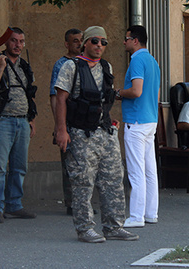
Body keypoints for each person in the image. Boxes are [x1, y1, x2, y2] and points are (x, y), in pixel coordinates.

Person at [54, 26, 138, 243]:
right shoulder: (70, 66)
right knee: (82, 181)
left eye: (103, 42)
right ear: (85, 43)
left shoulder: (106, 66)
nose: (99, 45)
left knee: (113, 179)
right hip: (81, 133)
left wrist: (109, 119)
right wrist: (61, 130)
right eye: (94, 41)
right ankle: (85, 229)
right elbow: (61, 99)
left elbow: (105, 98)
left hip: (105, 132)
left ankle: (114, 226)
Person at [0, 27, 38, 223]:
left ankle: (14, 205)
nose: (18, 45)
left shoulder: (24, 66)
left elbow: (29, 93)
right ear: (7, 42)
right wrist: (0, 68)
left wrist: (31, 119)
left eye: (21, 41)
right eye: (14, 41)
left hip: (22, 120)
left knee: (19, 167)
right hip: (2, 121)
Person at [117, 25, 160, 228]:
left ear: (135, 40)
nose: (124, 42)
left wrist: (118, 92)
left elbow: (136, 91)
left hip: (135, 121)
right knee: (150, 170)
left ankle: (136, 217)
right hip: (151, 120)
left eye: (126, 39)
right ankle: (151, 213)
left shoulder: (136, 60)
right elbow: (154, 94)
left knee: (136, 171)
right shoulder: (153, 61)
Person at [49, 28, 82, 215]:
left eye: (80, 40)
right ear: (67, 44)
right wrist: (58, 125)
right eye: (75, 41)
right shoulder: (61, 64)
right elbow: (55, 96)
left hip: (83, 122)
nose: (78, 44)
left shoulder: (85, 63)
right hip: (67, 121)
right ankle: (71, 203)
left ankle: (82, 202)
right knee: (69, 164)